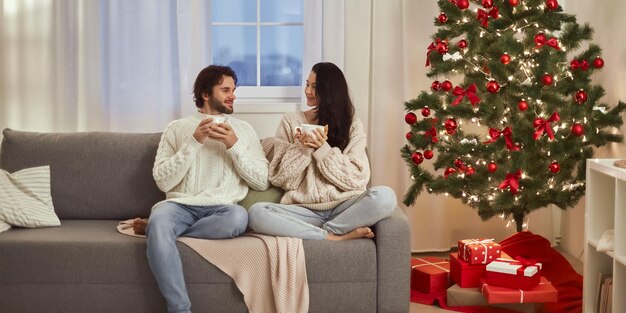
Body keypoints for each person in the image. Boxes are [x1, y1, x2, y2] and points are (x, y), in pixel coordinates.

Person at [144, 65, 269, 313]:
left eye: (234, 90)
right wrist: (194, 142)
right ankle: (180, 309)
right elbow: (163, 181)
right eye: (225, 90)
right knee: (160, 220)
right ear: (205, 94)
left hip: (222, 210)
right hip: (179, 206)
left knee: (238, 218)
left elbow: (261, 181)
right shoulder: (176, 129)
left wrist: (234, 145)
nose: (232, 95)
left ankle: (163, 234)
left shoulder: (244, 130)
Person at [248, 62, 397, 241]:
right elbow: (281, 178)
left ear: (330, 91)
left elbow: (357, 179)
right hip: (304, 210)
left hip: (345, 206)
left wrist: (323, 149)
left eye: (314, 87)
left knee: (386, 196)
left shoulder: (352, 125)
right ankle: (331, 236)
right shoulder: (290, 121)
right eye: (307, 84)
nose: (307, 91)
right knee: (257, 213)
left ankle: (329, 230)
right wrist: (303, 149)